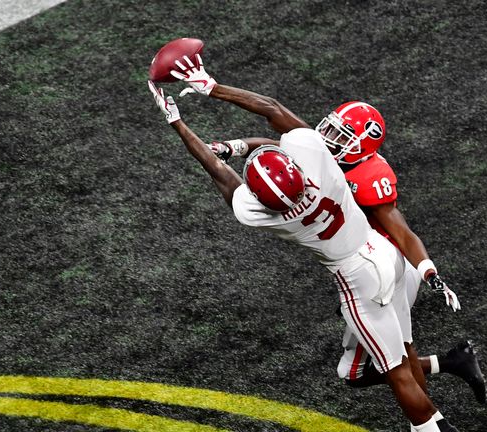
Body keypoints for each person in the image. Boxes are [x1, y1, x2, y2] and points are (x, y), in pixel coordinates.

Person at [148, 60, 460, 432]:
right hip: (385, 256)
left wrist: (177, 123)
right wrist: (212, 86)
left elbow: (218, 171)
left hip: (358, 279)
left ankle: (430, 428)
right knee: (405, 356)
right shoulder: (320, 164)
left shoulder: (267, 214)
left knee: (395, 373)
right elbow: (273, 110)